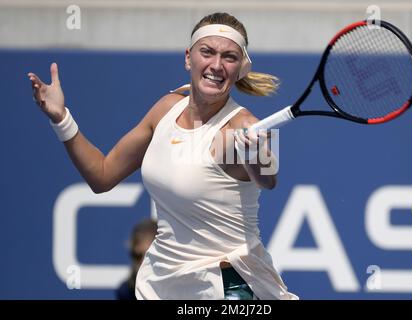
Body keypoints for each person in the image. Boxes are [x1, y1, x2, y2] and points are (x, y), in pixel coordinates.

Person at [28, 12, 298, 300]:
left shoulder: (242, 125)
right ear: (188, 58)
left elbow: (268, 179)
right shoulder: (166, 108)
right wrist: (61, 119)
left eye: (229, 57)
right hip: (159, 285)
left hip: (226, 288)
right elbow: (102, 175)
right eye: (207, 52)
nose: (216, 65)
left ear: (240, 68)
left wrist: (255, 152)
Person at [116, 218, 158, 300]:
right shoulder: (126, 292)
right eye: (138, 256)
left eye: (149, 256)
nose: (143, 262)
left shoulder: (183, 288)